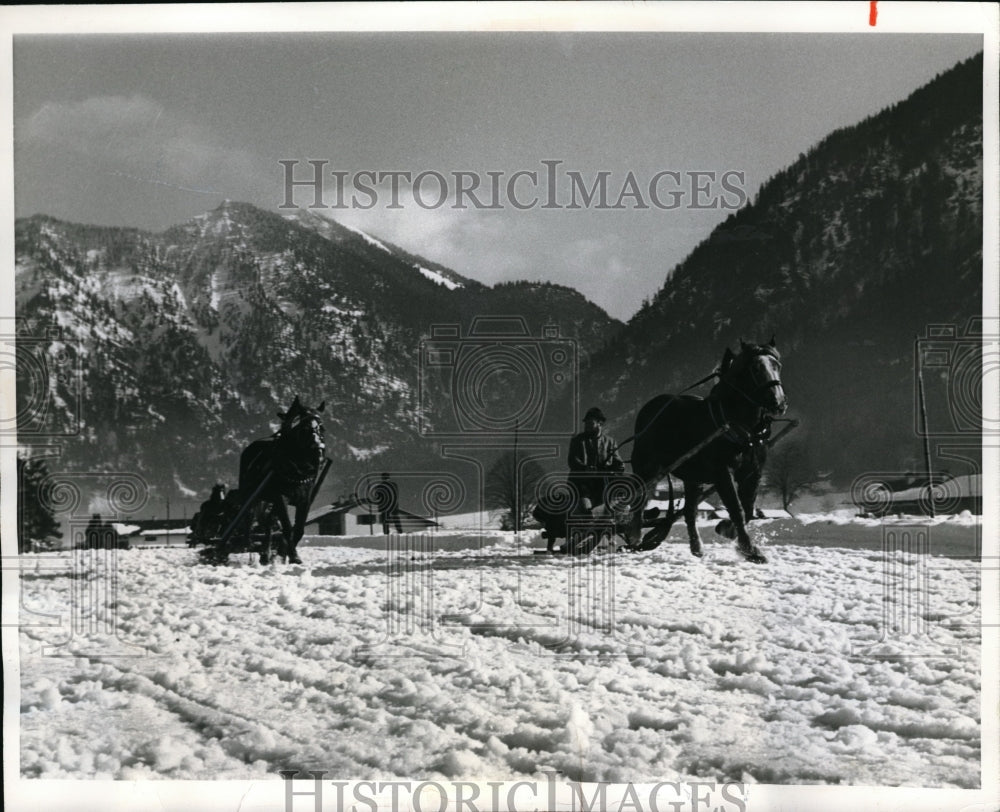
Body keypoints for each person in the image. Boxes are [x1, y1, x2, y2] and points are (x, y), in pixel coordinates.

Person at [567, 406, 625, 516]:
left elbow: (619, 464)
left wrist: (616, 469)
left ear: (600, 424)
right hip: (582, 486)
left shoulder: (610, 442)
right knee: (585, 508)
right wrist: (585, 468)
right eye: (586, 423)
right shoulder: (577, 441)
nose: (587, 426)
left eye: (590, 423)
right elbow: (572, 461)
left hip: (603, 486)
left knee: (622, 497)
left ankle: (635, 515)